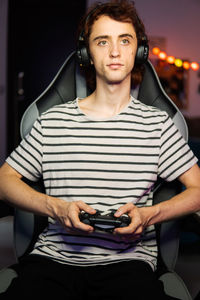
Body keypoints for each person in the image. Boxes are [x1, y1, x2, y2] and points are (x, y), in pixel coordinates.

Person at [0, 1, 200, 299]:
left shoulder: (158, 124)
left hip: (129, 264)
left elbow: (198, 188)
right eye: (102, 41)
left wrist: (150, 215)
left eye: (125, 40)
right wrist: (57, 208)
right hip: (51, 260)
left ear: (139, 52)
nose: (115, 52)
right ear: (86, 54)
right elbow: (4, 181)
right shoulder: (52, 120)